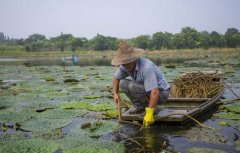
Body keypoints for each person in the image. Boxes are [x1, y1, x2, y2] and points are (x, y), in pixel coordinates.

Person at [111, 40, 170, 128]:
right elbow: (116, 78)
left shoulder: (146, 67)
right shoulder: (125, 66)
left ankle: (154, 108)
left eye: (128, 61)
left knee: (133, 85)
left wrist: (149, 114)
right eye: (124, 62)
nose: (126, 65)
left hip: (162, 94)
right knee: (123, 83)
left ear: (134, 59)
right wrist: (115, 93)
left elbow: (155, 92)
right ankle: (139, 106)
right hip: (145, 90)